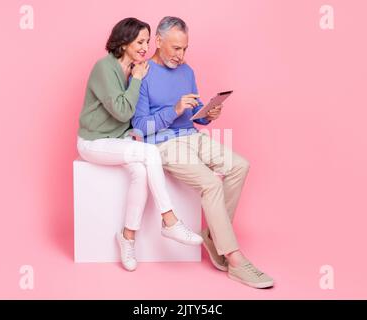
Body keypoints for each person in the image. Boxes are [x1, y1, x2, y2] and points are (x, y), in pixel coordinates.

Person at [131, 16, 274, 288]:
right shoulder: (143, 73)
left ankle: (213, 237)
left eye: (185, 48)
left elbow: (193, 116)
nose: (181, 55)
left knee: (239, 165)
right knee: (210, 183)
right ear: (158, 42)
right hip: (163, 143)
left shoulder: (188, 71)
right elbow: (139, 127)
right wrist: (172, 110)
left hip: (193, 136)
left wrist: (208, 116)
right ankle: (234, 259)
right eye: (175, 48)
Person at [77, 17, 203, 272]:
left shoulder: (137, 68)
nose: (146, 47)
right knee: (148, 153)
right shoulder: (105, 68)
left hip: (118, 141)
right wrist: (136, 79)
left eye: (147, 41)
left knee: (140, 171)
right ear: (124, 43)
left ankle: (127, 236)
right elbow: (123, 113)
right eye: (140, 41)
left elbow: (135, 118)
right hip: (94, 142)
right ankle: (169, 219)